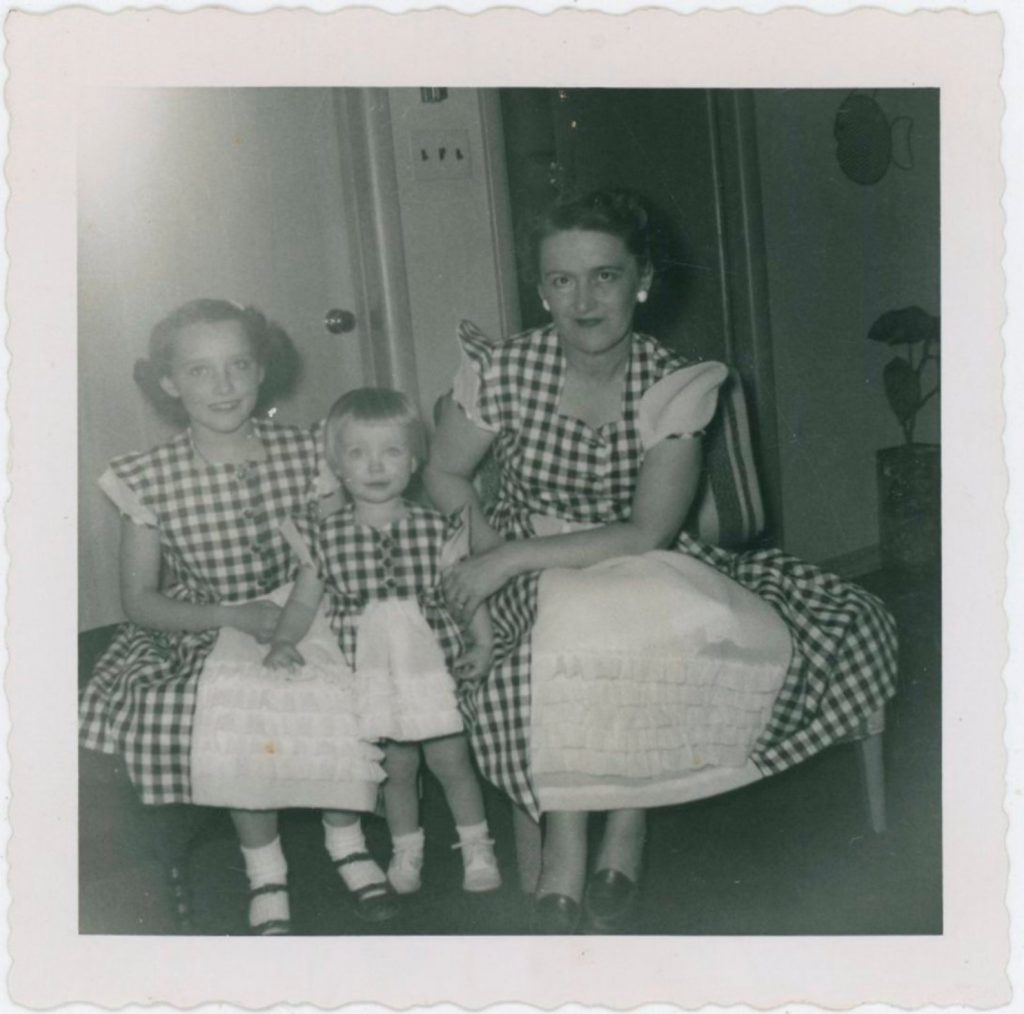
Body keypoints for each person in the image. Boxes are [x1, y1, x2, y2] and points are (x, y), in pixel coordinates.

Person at [424, 189, 898, 934]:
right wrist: (488, 549)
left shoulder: (673, 382)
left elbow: (647, 531)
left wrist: (513, 555)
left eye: (604, 276)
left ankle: (621, 821)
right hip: (525, 561)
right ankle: (580, 834)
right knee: (577, 616)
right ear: (540, 287)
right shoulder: (502, 369)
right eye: (560, 280)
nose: (581, 300)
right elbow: (444, 474)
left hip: (633, 553)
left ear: (642, 279)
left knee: (643, 610)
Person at [79, 299, 396, 935]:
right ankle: (265, 868)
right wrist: (232, 614)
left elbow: (342, 548)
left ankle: (347, 842)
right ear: (169, 383)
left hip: (311, 600)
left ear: (261, 371)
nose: (223, 387)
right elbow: (139, 600)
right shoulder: (148, 476)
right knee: (241, 701)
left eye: (238, 366)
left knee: (340, 685)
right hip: (207, 618)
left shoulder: (310, 451)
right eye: (200, 372)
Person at [265, 388, 502, 897]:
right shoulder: (325, 537)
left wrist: (482, 642)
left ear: (413, 461)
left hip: (430, 667)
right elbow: (304, 603)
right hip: (372, 671)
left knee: (450, 759)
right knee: (396, 767)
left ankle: (477, 843)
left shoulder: (437, 529)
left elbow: (465, 595)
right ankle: (406, 847)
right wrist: (284, 640)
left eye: (391, 451)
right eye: (358, 453)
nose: (375, 466)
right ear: (337, 465)